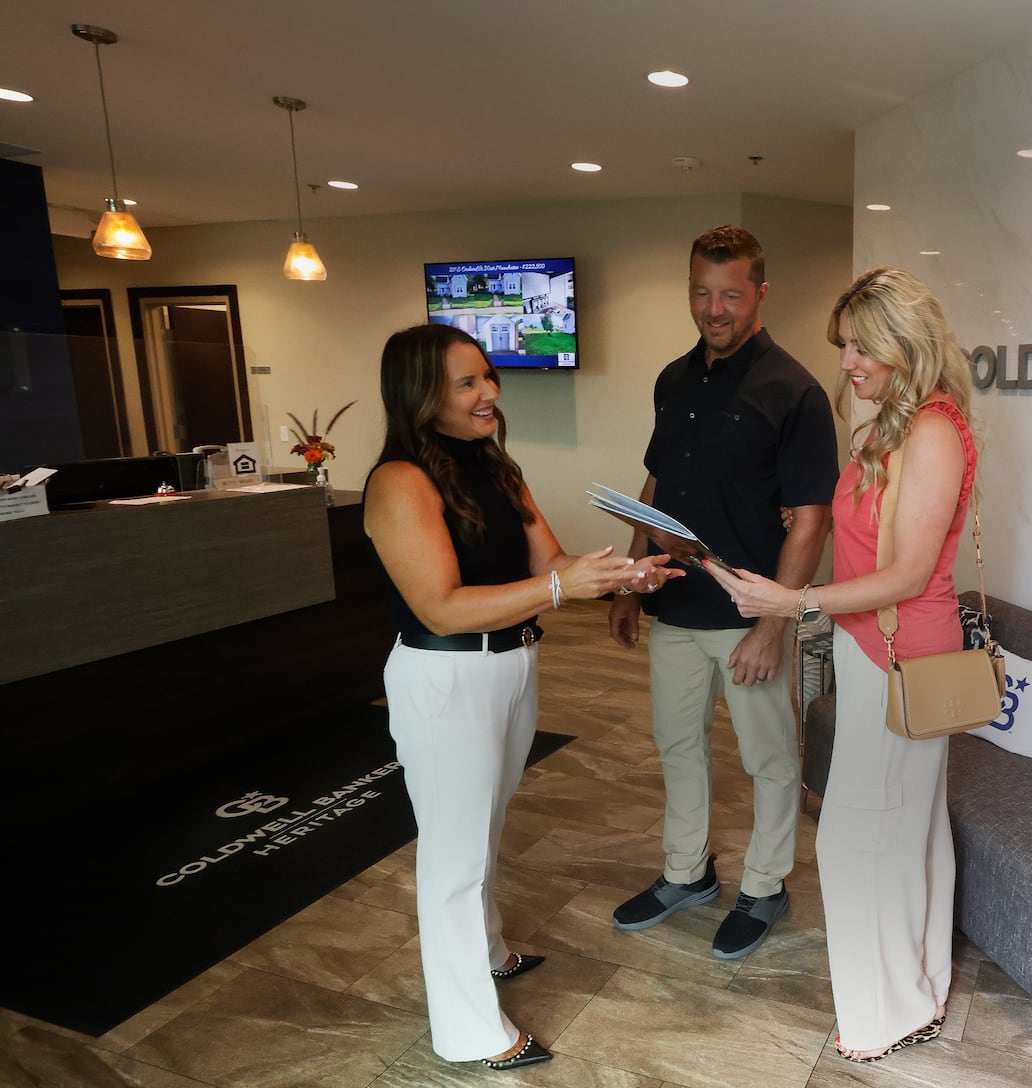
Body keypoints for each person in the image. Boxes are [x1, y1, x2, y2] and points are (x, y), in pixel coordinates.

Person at [364, 324, 680, 1070]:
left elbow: (554, 565)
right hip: (446, 678)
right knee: (452, 854)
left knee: (484, 828)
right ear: (422, 395)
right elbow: (441, 605)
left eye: (488, 377)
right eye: (467, 383)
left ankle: (491, 950)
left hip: (511, 667)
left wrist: (624, 577)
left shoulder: (497, 467)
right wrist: (559, 586)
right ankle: (470, 1032)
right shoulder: (399, 482)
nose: (489, 394)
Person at [709, 267, 979, 1062]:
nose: (848, 362)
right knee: (907, 828)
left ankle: (887, 1009)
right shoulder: (892, 427)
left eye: (862, 346)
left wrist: (794, 603)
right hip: (877, 647)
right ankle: (915, 990)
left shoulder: (930, 431)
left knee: (857, 837)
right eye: (845, 347)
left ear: (906, 342)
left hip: (903, 651)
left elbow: (905, 573)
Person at [609, 225, 838, 959]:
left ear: (760, 293)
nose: (715, 310)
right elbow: (656, 486)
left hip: (749, 615)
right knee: (678, 745)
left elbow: (811, 517)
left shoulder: (796, 390)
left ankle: (765, 886)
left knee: (769, 759)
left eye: (731, 295)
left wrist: (775, 625)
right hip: (675, 604)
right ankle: (688, 873)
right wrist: (628, 582)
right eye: (702, 294)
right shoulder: (673, 380)